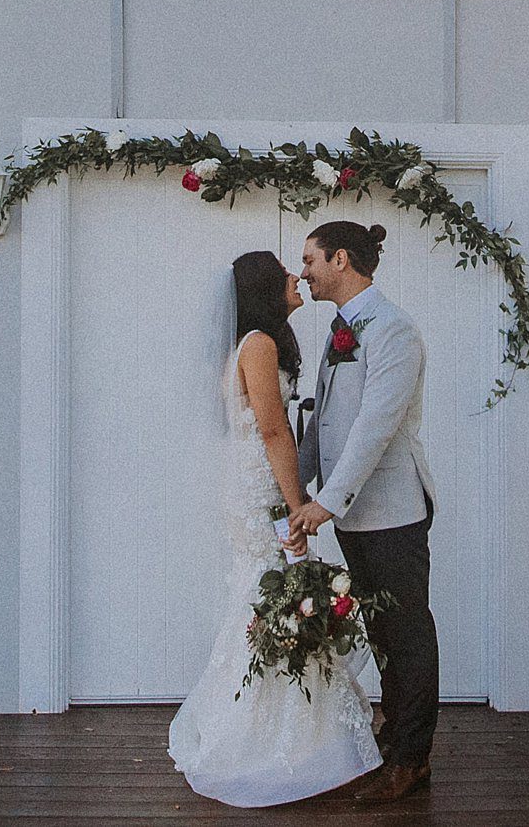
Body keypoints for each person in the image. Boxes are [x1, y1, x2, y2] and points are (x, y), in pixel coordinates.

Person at [167, 249, 383, 807]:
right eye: (286, 272)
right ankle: (259, 738)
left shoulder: (264, 343)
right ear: (264, 288)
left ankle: (304, 732)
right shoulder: (258, 345)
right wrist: (297, 507)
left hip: (261, 488)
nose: (297, 276)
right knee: (272, 597)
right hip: (260, 492)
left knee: (273, 596)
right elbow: (272, 432)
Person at [291, 219, 439, 806]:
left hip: (394, 511)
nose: (303, 272)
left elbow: (374, 426)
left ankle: (412, 758)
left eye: (310, 260)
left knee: (406, 634)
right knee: (379, 632)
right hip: (355, 516)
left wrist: (327, 501)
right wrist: (293, 485)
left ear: (341, 259)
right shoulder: (340, 330)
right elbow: (323, 416)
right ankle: (393, 740)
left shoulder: (394, 329)